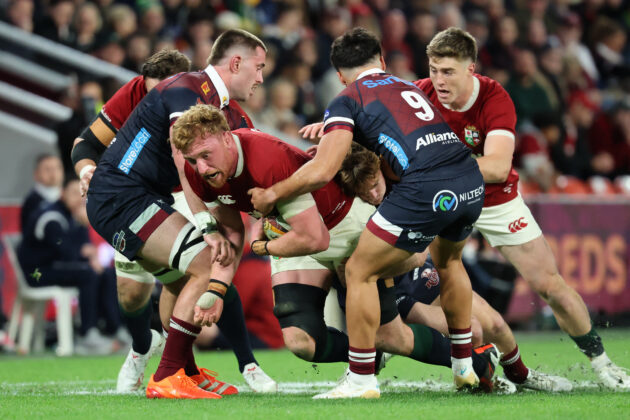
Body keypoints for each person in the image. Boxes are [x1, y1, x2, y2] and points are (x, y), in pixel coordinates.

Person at [172, 104, 500, 397]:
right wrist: (216, 286)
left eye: (205, 156)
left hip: (342, 226)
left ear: (227, 138)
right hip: (293, 228)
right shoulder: (201, 170)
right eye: (192, 160)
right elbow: (230, 230)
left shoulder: (266, 159)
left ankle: (475, 359)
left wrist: (263, 245)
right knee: (302, 341)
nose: (200, 168)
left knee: (392, 335)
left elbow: (317, 240)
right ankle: (368, 351)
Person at [249, 27, 486, 399]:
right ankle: (464, 366)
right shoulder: (409, 86)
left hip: (424, 186)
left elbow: (323, 170)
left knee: (358, 269)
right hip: (469, 177)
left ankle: (360, 379)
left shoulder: (347, 97)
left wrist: (273, 193)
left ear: (340, 75)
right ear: (382, 62)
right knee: (450, 264)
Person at [412, 27, 629, 389]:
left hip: (496, 199)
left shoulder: (494, 97)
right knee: (397, 269)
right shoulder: (420, 93)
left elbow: (497, 167)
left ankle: (603, 363)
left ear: (471, 68)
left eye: (447, 71)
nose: (438, 79)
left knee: (550, 285)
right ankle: (371, 357)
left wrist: (435, 168)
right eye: (433, 69)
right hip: (442, 200)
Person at [71, 47, 276, 394]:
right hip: (129, 193)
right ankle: (155, 361)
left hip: (162, 193)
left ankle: (194, 368)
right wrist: (87, 169)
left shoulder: (224, 111)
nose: (157, 98)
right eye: (256, 68)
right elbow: (85, 143)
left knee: (193, 274)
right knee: (146, 287)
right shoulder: (152, 93)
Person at [337, 143, 573, 392]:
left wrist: (369, 268)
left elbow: (419, 256)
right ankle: (480, 378)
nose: (373, 196)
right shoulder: (354, 206)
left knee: (497, 326)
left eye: (375, 186)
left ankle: (521, 375)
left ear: (382, 168)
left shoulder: (406, 181)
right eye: (365, 193)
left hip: (416, 269)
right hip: (395, 291)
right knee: (474, 333)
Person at [18, 178, 120, 353]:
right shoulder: (51, 217)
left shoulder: (73, 215)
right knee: (88, 274)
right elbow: (65, 251)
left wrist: (91, 255)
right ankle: (87, 334)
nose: (80, 198)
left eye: (83, 194)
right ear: (62, 194)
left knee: (107, 273)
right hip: (36, 272)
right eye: (74, 193)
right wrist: (86, 253)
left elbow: (81, 250)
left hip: (55, 267)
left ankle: (115, 330)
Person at [21, 154, 64, 230]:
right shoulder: (32, 201)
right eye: (47, 169)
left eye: (57, 168)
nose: (53, 173)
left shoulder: (67, 197)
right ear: (36, 174)